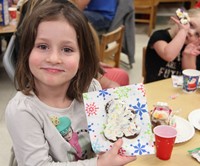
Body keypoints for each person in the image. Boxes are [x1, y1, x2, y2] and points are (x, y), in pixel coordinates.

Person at [5, 1, 137, 165]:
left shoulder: (92, 88)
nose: (53, 58)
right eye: (42, 46)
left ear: (83, 58)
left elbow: (105, 139)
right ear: (26, 52)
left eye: (67, 49)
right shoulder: (22, 110)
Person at [145, 8, 200, 83]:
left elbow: (190, 77)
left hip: (178, 90)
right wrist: (183, 31)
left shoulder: (192, 47)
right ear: (179, 19)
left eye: (197, 34)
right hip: (154, 88)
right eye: (191, 25)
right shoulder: (159, 36)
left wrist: (187, 55)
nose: (191, 33)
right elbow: (168, 55)